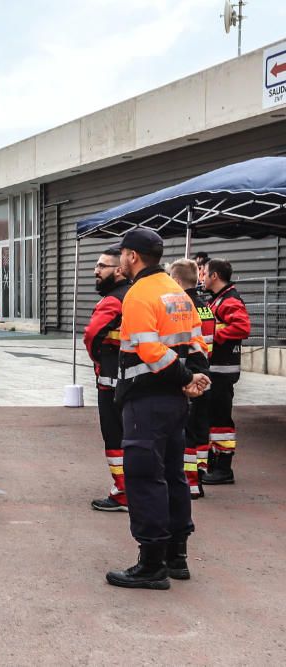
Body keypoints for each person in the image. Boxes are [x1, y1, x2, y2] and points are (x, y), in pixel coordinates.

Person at [106, 229, 209, 590]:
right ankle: (176, 555)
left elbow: (149, 350)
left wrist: (184, 376)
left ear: (132, 257)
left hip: (147, 400)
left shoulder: (138, 296)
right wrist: (196, 376)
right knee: (173, 473)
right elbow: (197, 339)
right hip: (176, 402)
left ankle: (152, 563)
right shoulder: (176, 291)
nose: (119, 259)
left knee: (145, 476)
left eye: (121, 253)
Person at [83, 245, 131, 512]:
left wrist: (99, 361)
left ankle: (123, 492)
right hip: (139, 380)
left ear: (120, 270)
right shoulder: (138, 294)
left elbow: (91, 335)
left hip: (111, 380)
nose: (96, 271)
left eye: (102, 266)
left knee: (114, 436)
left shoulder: (113, 299)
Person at [199, 258, 251, 485]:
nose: (201, 277)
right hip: (215, 370)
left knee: (221, 420)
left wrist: (212, 336)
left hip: (222, 370)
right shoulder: (217, 300)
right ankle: (214, 463)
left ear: (215, 276)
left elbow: (242, 327)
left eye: (204, 273)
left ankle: (224, 469)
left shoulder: (229, 300)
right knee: (212, 418)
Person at [168, 258, 215, 499]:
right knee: (200, 428)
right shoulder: (204, 305)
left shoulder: (182, 305)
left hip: (190, 373)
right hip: (206, 371)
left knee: (186, 431)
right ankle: (200, 470)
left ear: (176, 280)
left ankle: (191, 483)